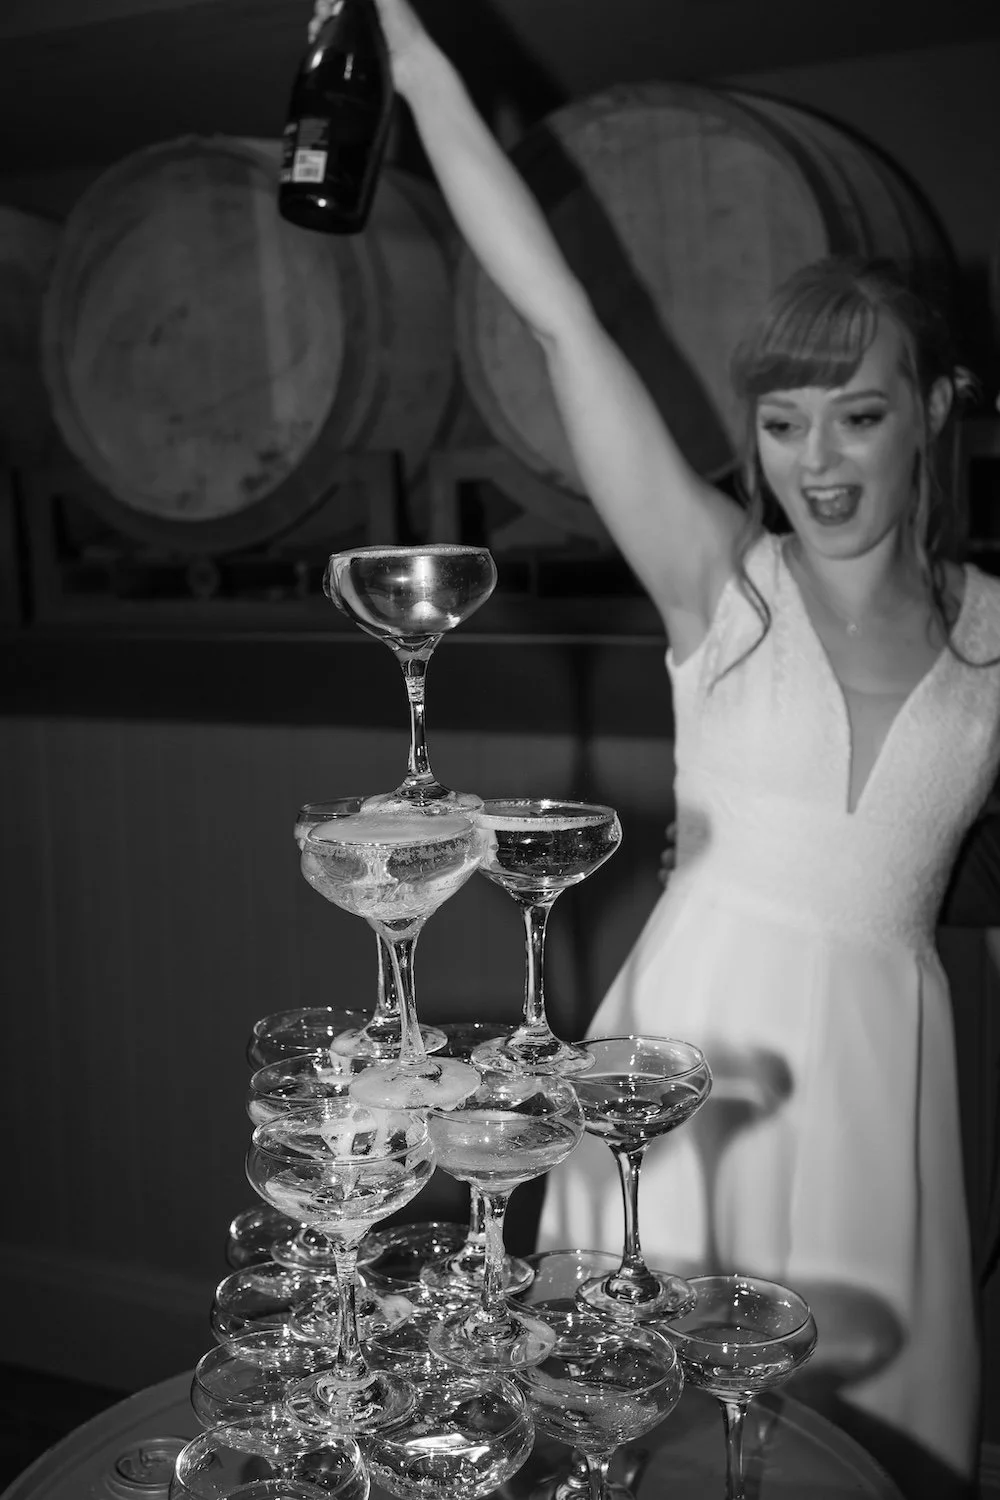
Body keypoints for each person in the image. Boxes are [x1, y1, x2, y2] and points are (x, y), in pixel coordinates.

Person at [312, 0, 1000, 1488]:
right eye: (784, 421)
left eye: (860, 415)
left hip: (888, 1061)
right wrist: (415, 60)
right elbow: (560, 314)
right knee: (650, 1415)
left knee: (854, 1438)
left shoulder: (999, 631)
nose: (816, 462)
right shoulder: (721, 589)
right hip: (698, 1053)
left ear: (936, 415)